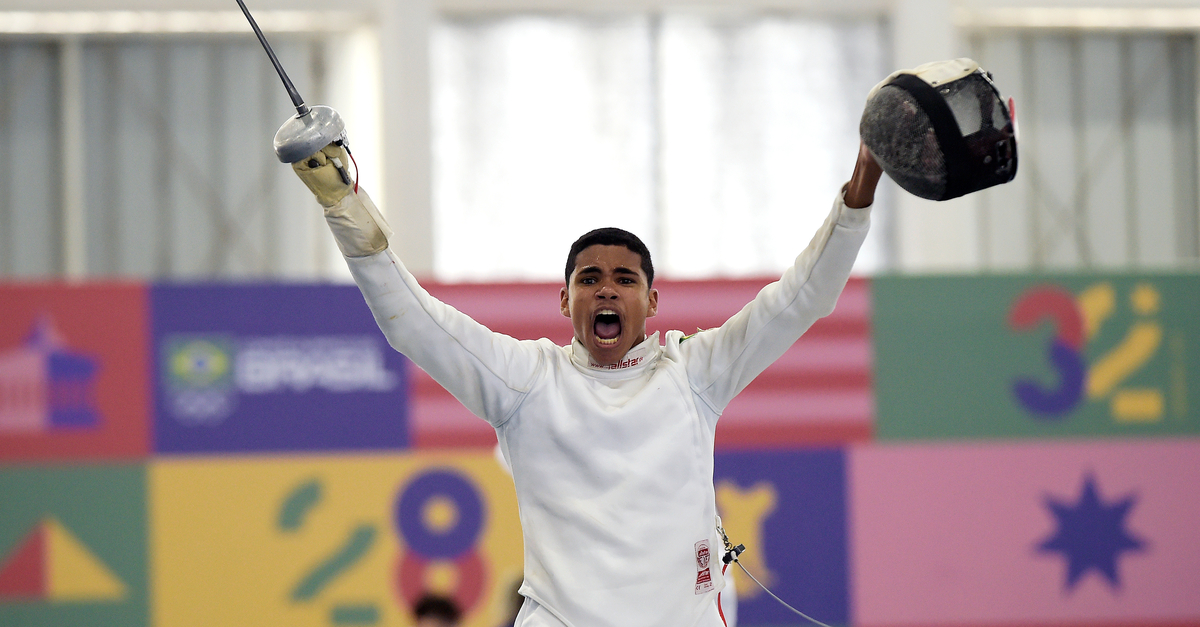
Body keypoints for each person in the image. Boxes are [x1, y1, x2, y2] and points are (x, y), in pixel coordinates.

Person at [290, 132, 882, 625]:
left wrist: (861, 186)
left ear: (651, 303)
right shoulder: (526, 382)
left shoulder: (696, 372)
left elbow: (800, 298)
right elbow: (416, 323)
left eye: (624, 279)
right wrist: (344, 205)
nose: (606, 288)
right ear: (565, 299)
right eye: (589, 278)